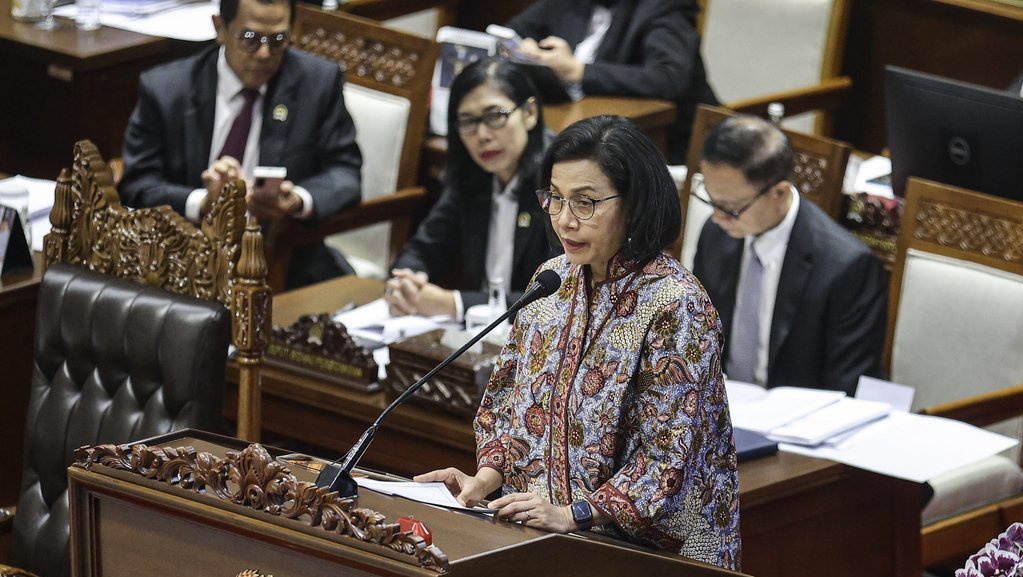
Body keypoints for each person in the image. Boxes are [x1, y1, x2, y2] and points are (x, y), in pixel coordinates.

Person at [416, 115, 741, 569]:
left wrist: (574, 515)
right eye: (556, 198)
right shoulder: (552, 281)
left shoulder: (675, 305)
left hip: (656, 556)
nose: (565, 220)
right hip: (549, 541)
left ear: (636, 204)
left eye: (586, 203)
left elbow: (666, 456)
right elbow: (510, 402)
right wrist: (485, 480)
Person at [119, 0, 362, 289]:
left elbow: (345, 173)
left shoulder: (318, 83)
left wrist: (296, 200)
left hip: (284, 263)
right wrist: (203, 202)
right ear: (220, 28)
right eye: (249, 39)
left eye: (278, 40)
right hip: (180, 263)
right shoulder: (166, 90)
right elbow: (136, 185)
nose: (264, 54)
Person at [691, 115, 887, 396]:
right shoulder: (716, 234)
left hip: (800, 425)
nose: (718, 217)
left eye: (731, 208)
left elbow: (849, 389)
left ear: (779, 193)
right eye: (711, 200)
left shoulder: (846, 268)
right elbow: (698, 336)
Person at [386, 57, 560, 318]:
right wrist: (409, 282)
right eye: (468, 122)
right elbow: (422, 250)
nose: (482, 136)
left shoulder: (560, 185)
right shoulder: (472, 178)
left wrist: (455, 304)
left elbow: (561, 293)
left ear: (529, 113)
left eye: (495, 117)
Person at [504, 0, 717, 164]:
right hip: (577, 127)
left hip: (667, 146)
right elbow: (514, 31)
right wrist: (525, 46)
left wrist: (577, 70)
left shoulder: (665, 5)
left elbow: (668, 76)